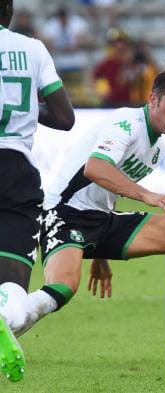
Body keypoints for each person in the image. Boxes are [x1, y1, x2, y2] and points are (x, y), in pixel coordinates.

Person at [19, 70, 165, 364]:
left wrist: (99, 255)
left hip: (101, 220)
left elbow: (108, 190)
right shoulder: (126, 123)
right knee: (62, 288)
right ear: (153, 100)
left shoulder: (156, 150)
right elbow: (95, 168)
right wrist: (149, 196)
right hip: (64, 213)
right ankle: (7, 321)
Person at [0, 0, 75, 383]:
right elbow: (65, 118)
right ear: (8, 8)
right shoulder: (32, 49)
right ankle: (2, 321)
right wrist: (30, 110)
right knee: (12, 286)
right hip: (16, 170)